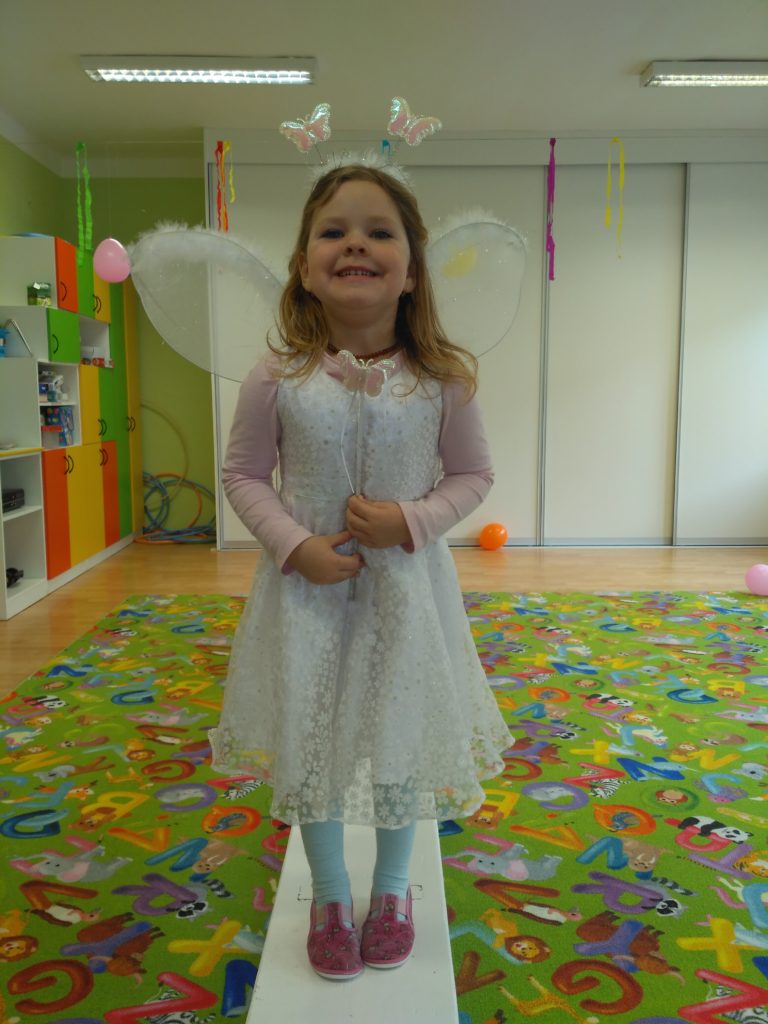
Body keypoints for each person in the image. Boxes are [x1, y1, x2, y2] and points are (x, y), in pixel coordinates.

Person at [209, 161, 509, 980]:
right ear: (305, 268)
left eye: (379, 232)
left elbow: (473, 475)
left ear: (410, 272)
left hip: (406, 596)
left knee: (397, 731)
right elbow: (243, 474)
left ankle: (394, 890)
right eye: (333, 231)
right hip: (307, 597)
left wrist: (414, 519)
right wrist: (292, 543)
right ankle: (332, 894)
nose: (355, 245)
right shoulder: (278, 376)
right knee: (311, 736)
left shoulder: (443, 378)